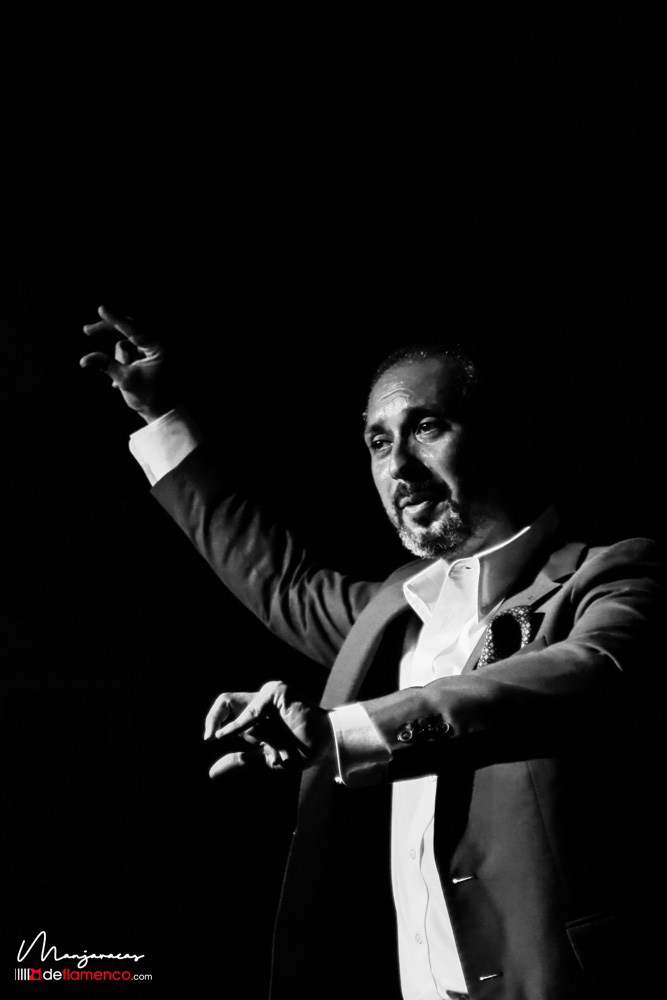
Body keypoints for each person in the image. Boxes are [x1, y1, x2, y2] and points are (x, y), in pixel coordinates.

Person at [81, 306, 664, 1000]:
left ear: (510, 433)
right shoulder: (392, 612)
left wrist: (340, 733)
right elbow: (278, 579)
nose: (399, 467)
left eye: (427, 427)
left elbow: (589, 673)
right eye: (378, 442)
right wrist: (162, 417)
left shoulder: (610, 576)